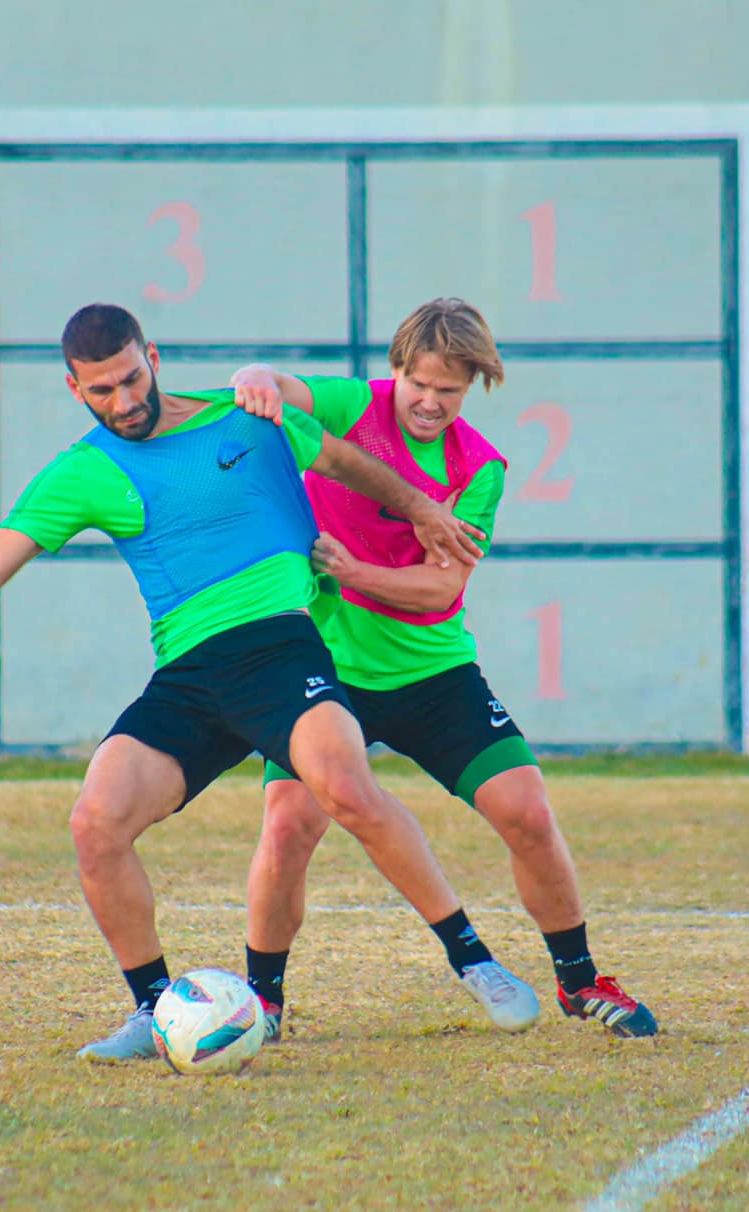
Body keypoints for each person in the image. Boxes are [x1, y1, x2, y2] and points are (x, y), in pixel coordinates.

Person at [0, 303, 539, 1063]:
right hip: (190, 677)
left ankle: (472, 959)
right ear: (75, 390)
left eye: (132, 379)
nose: (124, 402)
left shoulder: (246, 417)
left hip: (281, 649)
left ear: (152, 358)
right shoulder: (83, 471)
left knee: (347, 789)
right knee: (95, 824)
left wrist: (423, 507)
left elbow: (345, 460)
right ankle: (154, 1009)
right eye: (102, 392)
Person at [230, 297, 659, 1038]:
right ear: (396, 370)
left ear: (474, 388)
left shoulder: (478, 467)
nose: (429, 402)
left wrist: (350, 572)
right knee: (288, 822)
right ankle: (262, 1003)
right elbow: (275, 383)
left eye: (449, 390)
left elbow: (440, 590)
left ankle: (580, 980)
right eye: (418, 384)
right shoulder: (351, 407)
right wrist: (254, 377)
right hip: (325, 672)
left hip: (434, 672)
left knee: (527, 812)